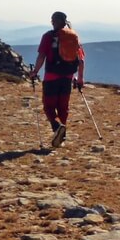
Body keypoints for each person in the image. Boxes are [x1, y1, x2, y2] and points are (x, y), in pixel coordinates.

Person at [28, 11, 85, 147]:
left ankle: (57, 126)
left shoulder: (48, 36)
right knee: (63, 107)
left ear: (54, 21)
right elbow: (81, 60)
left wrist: (35, 71)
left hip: (51, 77)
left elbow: (41, 56)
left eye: (52, 20)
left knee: (49, 107)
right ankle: (62, 136)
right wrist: (80, 79)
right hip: (68, 77)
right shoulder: (73, 37)